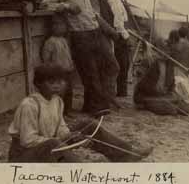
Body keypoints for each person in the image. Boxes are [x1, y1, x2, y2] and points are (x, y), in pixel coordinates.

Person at [8, 65, 152, 163]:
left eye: (61, 81)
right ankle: (82, 172)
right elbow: (27, 140)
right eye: (52, 82)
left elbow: (61, 129)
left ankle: (126, 154)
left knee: (87, 125)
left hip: (51, 146)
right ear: (38, 84)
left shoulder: (57, 101)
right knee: (53, 143)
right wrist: (62, 142)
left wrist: (72, 136)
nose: (58, 85)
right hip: (24, 156)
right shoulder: (29, 105)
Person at [40, 0, 118, 117]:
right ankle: (96, 107)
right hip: (79, 35)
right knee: (90, 71)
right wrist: (66, 7)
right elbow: (44, 5)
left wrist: (108, 30)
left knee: (111, 65)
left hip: (95, 31)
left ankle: (94, 102)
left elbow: (92, 14)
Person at [86, 0, 120, 101]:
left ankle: (105, 98)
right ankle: (104, 98)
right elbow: (96, 17)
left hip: (105, 37)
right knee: (112, 66)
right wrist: (112, 31)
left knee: (104, 68)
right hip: (97, 36)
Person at [133, 47, 189, 116]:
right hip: (148, 95)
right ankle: (163, 105)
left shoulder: (170, 64)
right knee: (170, 108)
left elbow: (171, 84)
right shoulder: (150, 62)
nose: (166, 53)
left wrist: (172, 94)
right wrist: (159, 94)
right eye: (164, 51)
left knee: (186, 107)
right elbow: (143, 85)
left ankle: (170, 105)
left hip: (162, 95)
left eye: (168, 51)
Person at [41, 14, 75, 115]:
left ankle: (67, 111)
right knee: (58, 93)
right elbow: (46, 58)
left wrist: (70, 65)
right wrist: (50, 70)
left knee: (69, 92)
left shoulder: (64, 40)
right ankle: (58, 112)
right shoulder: (50, 42)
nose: (61, 28)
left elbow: (68, 55)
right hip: (57, 72)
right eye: (57, 25)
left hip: (67, 70)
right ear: (53, 27)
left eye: (63, 26)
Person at [105, 0, 132, 97]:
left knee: (123, 64)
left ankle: (121, 90)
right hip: (119, 36)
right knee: (122, 64)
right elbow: (118, 23)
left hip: (120, 34)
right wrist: (126, 37)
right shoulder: (113, 1)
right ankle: (121, 91)